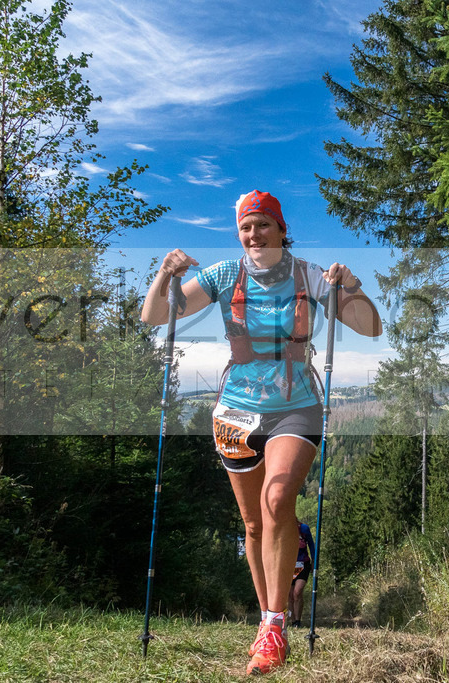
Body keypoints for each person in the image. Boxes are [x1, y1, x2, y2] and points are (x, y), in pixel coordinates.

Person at [141, 190, 381, 675]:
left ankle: (274, 628)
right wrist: (166, 273)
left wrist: (352, 289)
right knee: (253, 524)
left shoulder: (309, 275)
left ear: (280, 228)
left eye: (264, 225)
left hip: (297, 408)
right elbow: (155, 316)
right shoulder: (226, 274)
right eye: (247, 227)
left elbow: (370, 327)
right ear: (239, 232)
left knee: (277, 500)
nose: (255, 235)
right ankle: (267, 619)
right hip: (234, 413)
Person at [288, 518, 314, 627]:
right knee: (290, 595)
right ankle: (292, 620)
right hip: (288, 566)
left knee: (297, 592)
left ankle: (298, 621)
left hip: (303, 564)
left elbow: (312, 546)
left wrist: (314, 562)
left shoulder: (304, 528)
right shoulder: (284, 529)